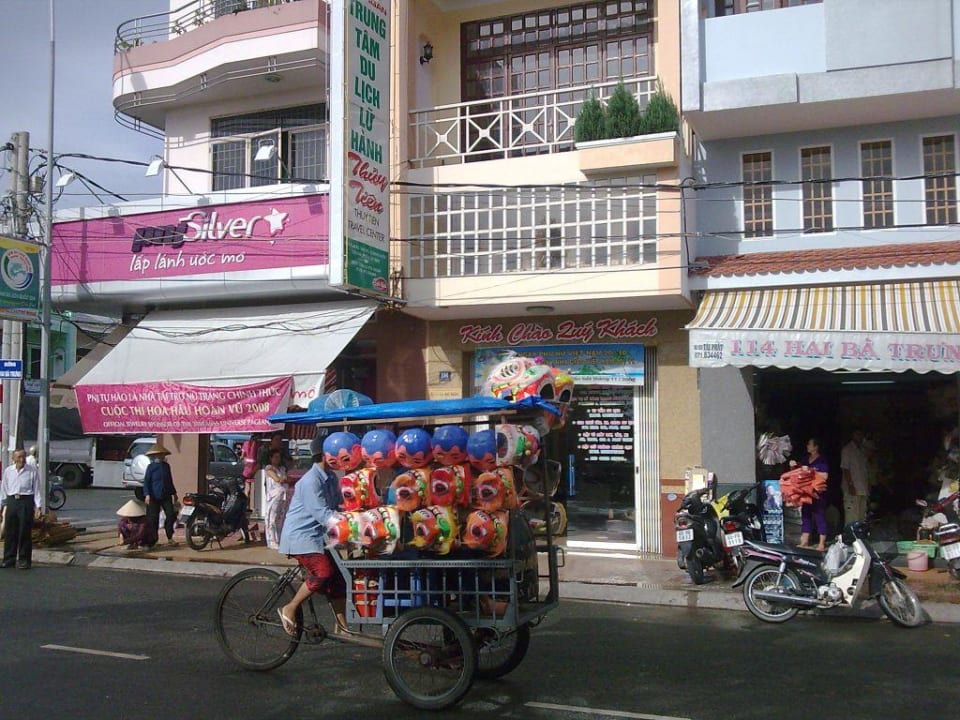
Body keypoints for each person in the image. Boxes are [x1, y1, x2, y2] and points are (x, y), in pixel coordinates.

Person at [277, 448, 347, 637]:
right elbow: (323, 514)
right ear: (325, 456)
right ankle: (290, 607)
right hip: (302, 537)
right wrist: (349, 523)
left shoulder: (331, 478)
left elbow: (340, 503)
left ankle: (342, 627)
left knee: (341, 578)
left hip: (319, 538)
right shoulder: (310, 481)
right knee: (324, 572)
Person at [1, 448, 42, 569]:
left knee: (24, 531)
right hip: (12, 500)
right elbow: (4, 489)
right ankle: (9, 559)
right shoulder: (8, 471)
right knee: (10, 531)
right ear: (13, 458)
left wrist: (38, 507)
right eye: (19, 457)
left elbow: (37, 490)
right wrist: (1, 505)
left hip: (26, 501)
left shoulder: (32, 471)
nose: (21, 459)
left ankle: (24, 559)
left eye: (23, 457)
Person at [793, 437, 829, 552]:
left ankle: (821, 543)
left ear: (816, 447)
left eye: (809, 444)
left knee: (820, 516)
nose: (807, 446)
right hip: (806, 493)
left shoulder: (822, 460)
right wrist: (794, 466)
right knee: (806, 516)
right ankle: (804, 541)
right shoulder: (805, 459)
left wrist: (811, 471)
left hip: (818, 494)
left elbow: (825, 476)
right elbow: (798, 473)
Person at [142, 443, 179, 548]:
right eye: (159, 454)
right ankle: (153, 540)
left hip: (166, 494)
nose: (161, 456)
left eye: (162, 454)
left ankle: (170, 536)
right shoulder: (151, 467)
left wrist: (174, 493)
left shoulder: (166, 466)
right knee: (153, 518)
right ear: (155, 455)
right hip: (153, 496)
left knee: (171, 515)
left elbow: (170, 481)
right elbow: (146, 482)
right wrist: (147, 494)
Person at [263, 448, 293, 550]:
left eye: (278, 457)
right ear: (271, 458)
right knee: (272, 518)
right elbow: (277, 479)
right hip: (274, 497)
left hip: (283, 496)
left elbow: (288, 479)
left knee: (281, 518)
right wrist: (283, 479)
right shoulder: (269, 468)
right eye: (275, 457)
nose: (277, 459)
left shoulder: (282, 469)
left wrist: (284, 479)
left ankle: (280, 539)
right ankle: (272, 541)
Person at [840, 429, 869, 523]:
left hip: (863, 488)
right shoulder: (847, 450)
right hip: (852, 488)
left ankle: (860, 537)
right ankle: (851, 537)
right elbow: (845, 468)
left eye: (861, 434)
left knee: (861, 517)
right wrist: (850, 485)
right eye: (857, 434)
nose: (859, 437)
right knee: (852, 517)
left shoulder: (862, 450)